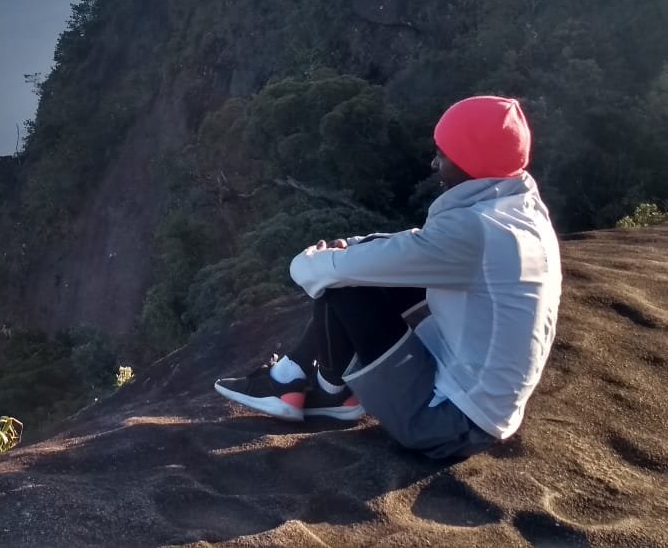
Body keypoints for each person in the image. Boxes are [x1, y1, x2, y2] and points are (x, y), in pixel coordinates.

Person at [214, 96, 562, 460]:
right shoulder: (518, 211)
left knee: (346, 284)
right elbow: (411, 248)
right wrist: (352, 247)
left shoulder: (472, 232)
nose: (434, 163)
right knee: (378, 272)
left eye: (442, 155)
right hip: (481, 405)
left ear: (471, 163)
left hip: (447, 423)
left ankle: (314, 388)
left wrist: (312, 260)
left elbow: (324, 270)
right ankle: (309, 381)